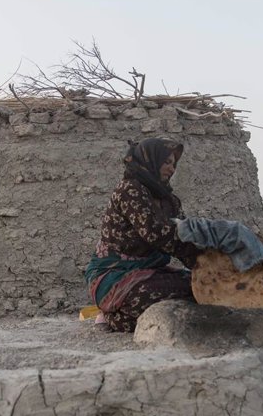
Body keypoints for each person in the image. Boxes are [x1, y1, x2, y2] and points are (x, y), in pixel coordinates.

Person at [84, 137, 203, 332]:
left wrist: (207, 261)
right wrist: (198, 259)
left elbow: (184, 233)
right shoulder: (129, 190)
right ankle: (112, 316)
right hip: (114, 275)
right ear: (151, 161)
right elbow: (156, 234)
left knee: (195, 286)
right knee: (153, 296)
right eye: (166, 162)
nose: (171, 169)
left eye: (174, 164)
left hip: (149, 272)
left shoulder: (170, 201)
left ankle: (118, 312)